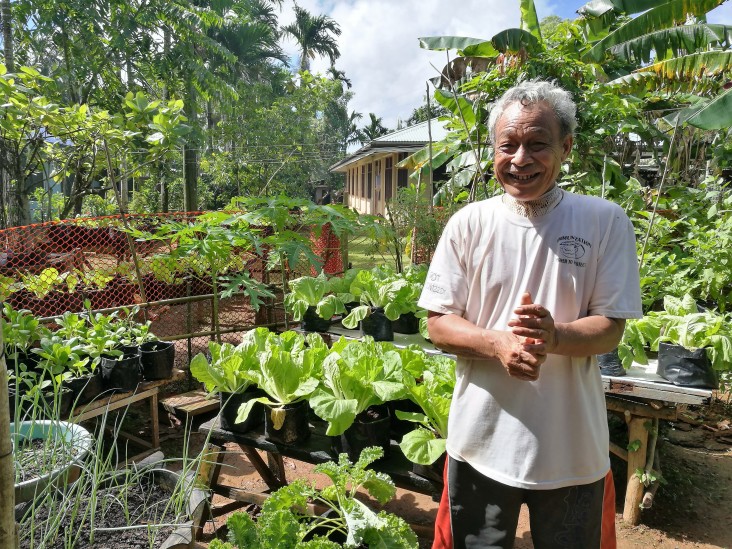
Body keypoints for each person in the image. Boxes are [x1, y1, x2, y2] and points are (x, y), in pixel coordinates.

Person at [418, 80, 642, 549]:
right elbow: (438, 323)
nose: (521, 159)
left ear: (566, 147)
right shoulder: (468, 223)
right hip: (479, 443)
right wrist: (497, 343)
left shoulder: (604, 220)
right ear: (494, 150)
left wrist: (555, 336)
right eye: (508, 145)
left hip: (572, 450)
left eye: (537, 144)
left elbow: (610, 328)